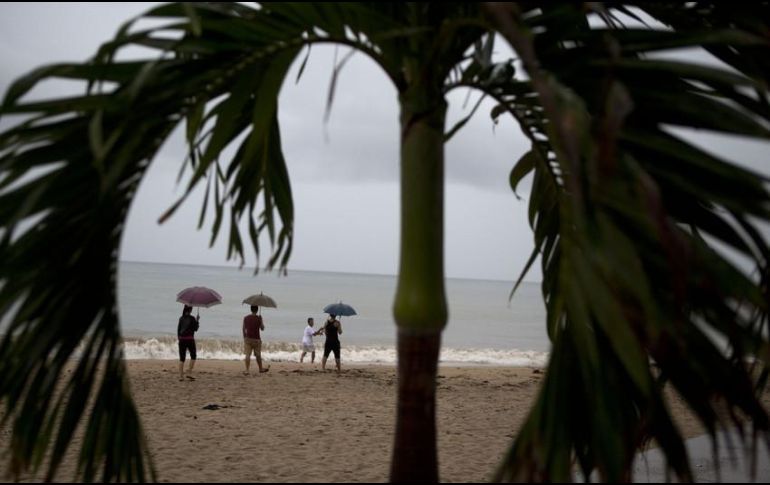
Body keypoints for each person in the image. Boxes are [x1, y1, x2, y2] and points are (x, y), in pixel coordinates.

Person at [243, 305, 269, 375]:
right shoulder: (258, 318)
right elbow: (262, 328)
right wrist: (261, 320)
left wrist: (244, 337)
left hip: (248, 338)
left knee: (247, 354)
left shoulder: (246, 318)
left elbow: (243, 328)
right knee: (258, 355)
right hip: (256, 339)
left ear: (251, 309)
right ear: (257, 310)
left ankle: (247, 370)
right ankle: (260, 368)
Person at [177, 305, 199, 381]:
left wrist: (179, 339)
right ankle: (189, 372)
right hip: (190, 340)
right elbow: (195, 329)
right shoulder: (192, 318)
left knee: (182, 358)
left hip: (182, 340)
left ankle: (180, 376)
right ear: (190, 310)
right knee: (193, 355)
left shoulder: (181, 318)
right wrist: (197, 321)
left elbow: (178, 330)